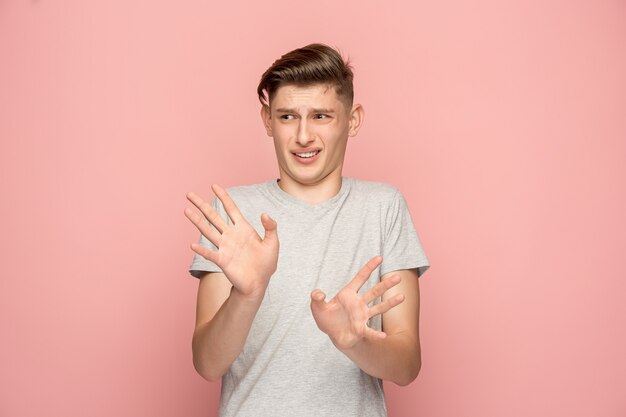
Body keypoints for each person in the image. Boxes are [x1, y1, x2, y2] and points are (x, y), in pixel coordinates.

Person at [185, 43, 430, 417]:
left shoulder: (383, 207)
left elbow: (407, 364)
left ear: (353, 119)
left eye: (320, 116)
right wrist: (247, 294)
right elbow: (207, 363)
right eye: (286, 117)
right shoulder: (234, 212)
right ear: (267, 121)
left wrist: (352, 342)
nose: (303, 135)